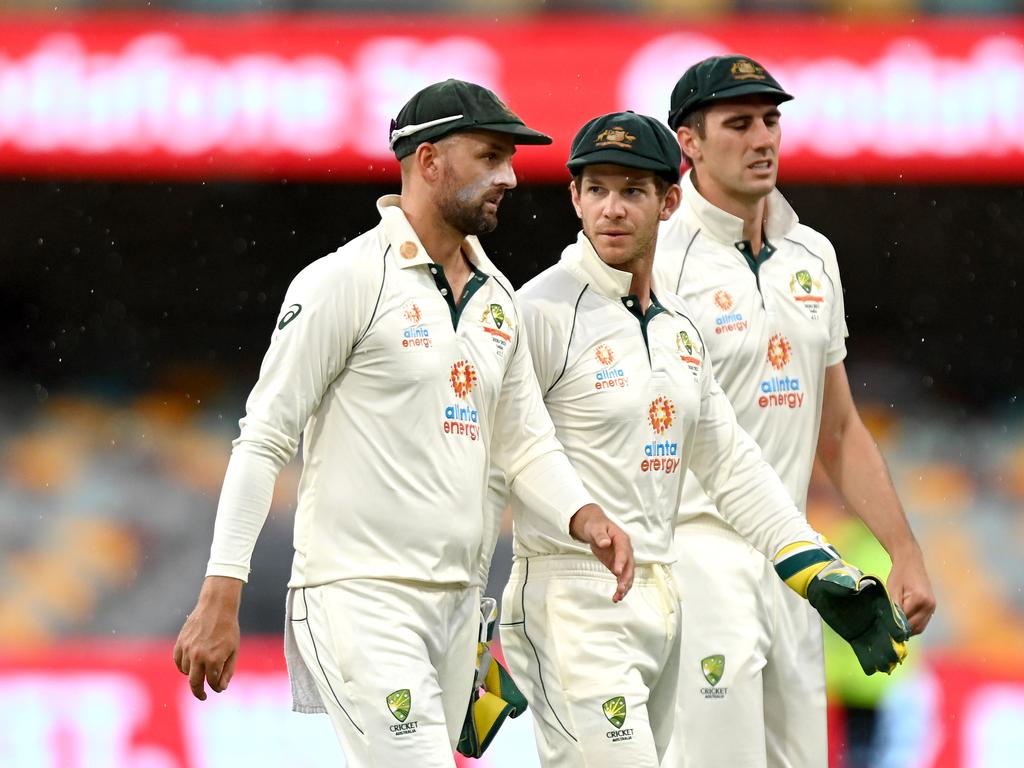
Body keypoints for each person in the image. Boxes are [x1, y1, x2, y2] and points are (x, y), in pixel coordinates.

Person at [171, 79, 635, 768]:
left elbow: (524, 439)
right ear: (427, 162)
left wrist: (584, 515)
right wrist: (221, 590)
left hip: (457, 606)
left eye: (510, 159)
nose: (509, 176)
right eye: (489, 156)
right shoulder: (345, 281)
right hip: (360, 597)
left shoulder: (497, 297)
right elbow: (266, 436)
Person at [497, 110, 908, 768]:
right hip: (572, 600)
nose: (611, 209)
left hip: (661, 600)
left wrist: (812, 565)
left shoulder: (679, 326)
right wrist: (470, 637)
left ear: (668, 202)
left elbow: (734, 465)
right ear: (573, 196)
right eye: (595, 188)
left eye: (633, 191)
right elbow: (492, 463)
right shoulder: (537, 312)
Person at [653, 55, 937, 767]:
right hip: (697, 559)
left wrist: (903, 549)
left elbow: (837, 428)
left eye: (771, 120)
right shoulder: (654, 258)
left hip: (798, 567)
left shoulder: (812, 254)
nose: (762, 138)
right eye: (739, 123)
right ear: (688, 141)